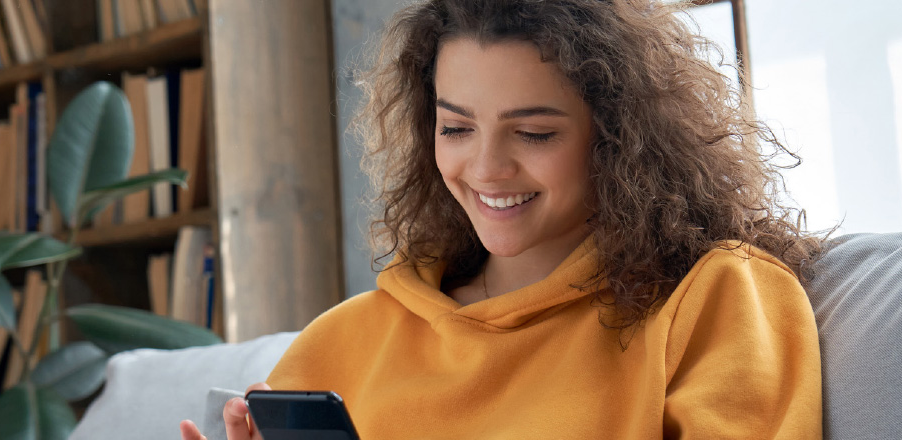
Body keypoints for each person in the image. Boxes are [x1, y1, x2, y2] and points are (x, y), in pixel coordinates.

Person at [182, 0, 824, 438]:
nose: (486, 169)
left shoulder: (715, 299)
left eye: (535, 133)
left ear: (619, 138)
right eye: (457, 127)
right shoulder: (342, 342)